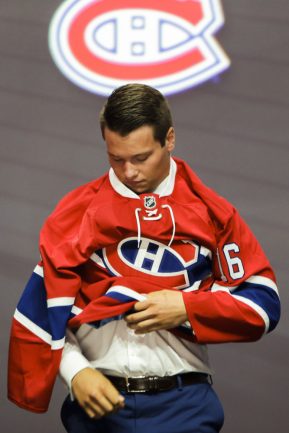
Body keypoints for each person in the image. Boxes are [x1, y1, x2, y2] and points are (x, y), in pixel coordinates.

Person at [8, 84, 280, 433]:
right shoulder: (75, 215)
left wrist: (186, 307)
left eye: (140, 158)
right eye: (116, 159)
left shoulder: (214, 214)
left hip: (185, 405)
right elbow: (44, 311)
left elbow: (263, 304)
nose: (129, 172)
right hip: (97, 406)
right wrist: (75, 372)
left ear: (169, 139)